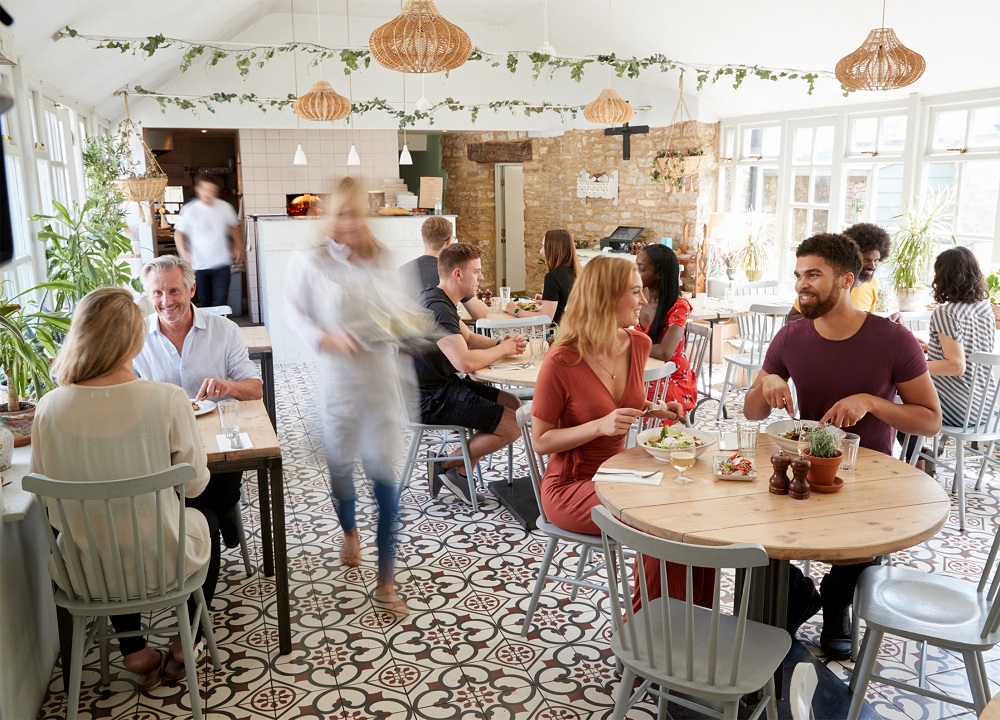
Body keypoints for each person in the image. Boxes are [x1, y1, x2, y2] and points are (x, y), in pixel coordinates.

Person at [744, 232, 941, 659]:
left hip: (865, 475)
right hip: (798, 468)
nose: (802, 284)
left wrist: (872, 402)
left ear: (846, 280)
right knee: (751, 536)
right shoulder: (790, 337)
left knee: (860, 547)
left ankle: (836, 602)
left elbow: (930, 420)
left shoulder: (893, 339)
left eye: (814, 274)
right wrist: (768, 380)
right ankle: (795, 595)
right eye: (798, 275)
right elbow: (752, 413)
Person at [31, 287, 218, 690]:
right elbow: (198, 484)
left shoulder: (49, 407)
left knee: (103, 532)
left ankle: (134, 652)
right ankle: (187, 646)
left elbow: (47, 502)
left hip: (86, 574)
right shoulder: (167, 400)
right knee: (208, 521)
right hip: (164, 564)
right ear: (135, 338)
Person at [530, 256, 703, 610]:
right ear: (607, 297)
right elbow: (540, 440)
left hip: (622, 475)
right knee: (656, 519)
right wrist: (599, 426)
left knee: (692, 508)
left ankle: (693, 622)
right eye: (636, 292)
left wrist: (655, 410)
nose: (643, 301)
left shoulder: (637, 345)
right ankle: (647, 633)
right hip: (571, 485)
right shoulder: (561, 360)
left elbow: (623, 403)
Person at [285, 177, 411, 613]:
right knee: (340, 470)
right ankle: (349, 530)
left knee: (385, 477)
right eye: (343, 213)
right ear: (330, 216)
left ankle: (386, 580)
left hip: (378, 382)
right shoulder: (313, 263)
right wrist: (326, 337)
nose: (350, 222)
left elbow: (398, 312)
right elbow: (296, 316)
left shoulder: (382, 259)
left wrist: (405, 327)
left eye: (358, 212)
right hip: (338, 383)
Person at [133, 255, 263, 550]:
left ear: (191, 290)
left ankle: (206, 531)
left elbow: (255, 388)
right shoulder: (136, 335)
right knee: (177, 508)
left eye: (174, 291)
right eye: (157, 292)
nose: (166, 301)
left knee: (206, 507)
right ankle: (212, 525)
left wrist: (228, 385)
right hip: (162, 449)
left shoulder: (224, 330)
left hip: (216, 448)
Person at [414, 242, 526, 503]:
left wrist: (502, 345)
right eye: (476, 271)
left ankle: (457, 470)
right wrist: (503, 349)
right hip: (430, 399)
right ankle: (449, 467)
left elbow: (471, 338)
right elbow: (464, 362)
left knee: (513, 404)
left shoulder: (440, 298)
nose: (481, 277)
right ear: (458, 274)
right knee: (513, 427)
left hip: (442, 387)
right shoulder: (439, 309)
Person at [635, 244, 698, 415]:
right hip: (643, 371)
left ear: (659, 273)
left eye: (641, 269)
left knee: (627, 397)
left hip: (671, 378)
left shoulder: (678, 306)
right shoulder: (639, 296)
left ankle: (642, 439)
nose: (635, 274)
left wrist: (627, 345)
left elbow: (665, 352)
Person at [786, 222, 892, 321]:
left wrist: (888, 321)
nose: (872, 265)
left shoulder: (872, 284)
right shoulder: (829, 284)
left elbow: (865, 323)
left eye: (876, 260)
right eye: (866, 260)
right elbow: (792, 318)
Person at [400, 215, 489, 320]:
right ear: (449, 241)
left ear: (424, 239)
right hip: (443, 332)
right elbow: (480, 314)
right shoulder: (449, 273)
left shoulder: (402, 270)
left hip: (409, 333)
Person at [174, 174, 243, 308]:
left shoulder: (224, 207)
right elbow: (178, 233)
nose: (209, 194)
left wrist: (237, 246)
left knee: (222, 301)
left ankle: (222, 327)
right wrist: (184, 255)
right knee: (205, 302)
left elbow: (234, 228)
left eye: (212, 191)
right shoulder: (190, 210)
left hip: (221, 263)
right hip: (200, 265)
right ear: (198, 189)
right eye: (206, 189)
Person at [502, 229, 580, 325]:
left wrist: (515, 310)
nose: (541, 251)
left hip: (557, 334)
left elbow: (546, 318)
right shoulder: (577, 272)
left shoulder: (552, 277)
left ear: (554, 249)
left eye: (544, 246)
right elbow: (566, 302)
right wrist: (548, 300)